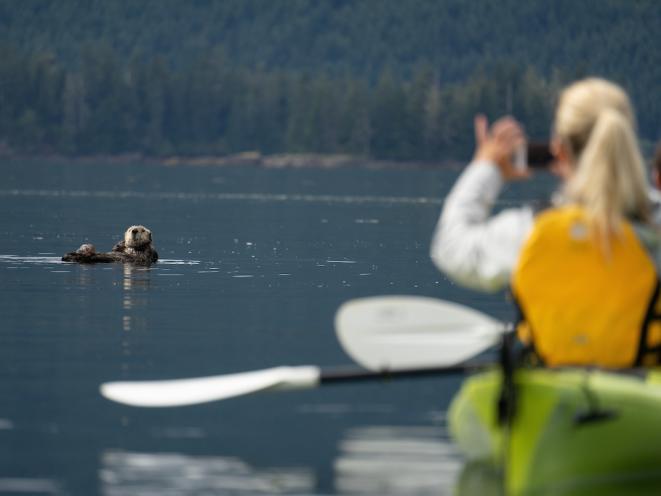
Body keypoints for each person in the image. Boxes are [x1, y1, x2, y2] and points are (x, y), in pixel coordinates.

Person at [431, 78, 661, 367]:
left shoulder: (531, 231)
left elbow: (451, 247)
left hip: (553, 396)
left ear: (560, 152)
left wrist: (486, 167)